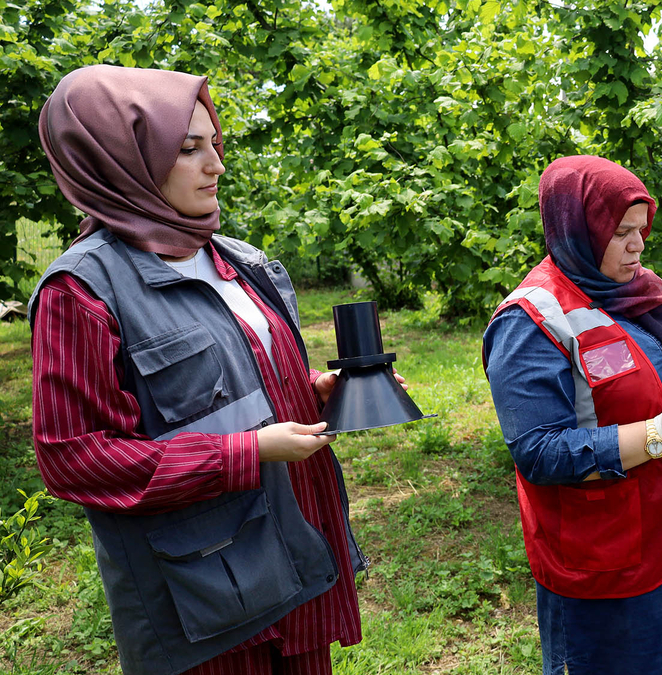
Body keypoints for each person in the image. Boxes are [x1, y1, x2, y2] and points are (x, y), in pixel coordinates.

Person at [30, 65, 399, 675]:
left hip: (297, 548)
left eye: (215, 144)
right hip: (207, 594)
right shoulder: (84, 292)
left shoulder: (236, 261)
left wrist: (316, 394)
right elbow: (74, 457)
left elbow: (216, 394)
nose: (216, 165)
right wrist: (247, 453)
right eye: (188, 148)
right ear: (122, 160)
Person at [483, 155, 662, 675]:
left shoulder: (635, 285)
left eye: (641, 230)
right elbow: (537, 452)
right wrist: (657, 434)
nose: (638, 245)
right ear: (578, 229)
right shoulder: (531, 321)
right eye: (621, 231)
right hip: (611, 545)